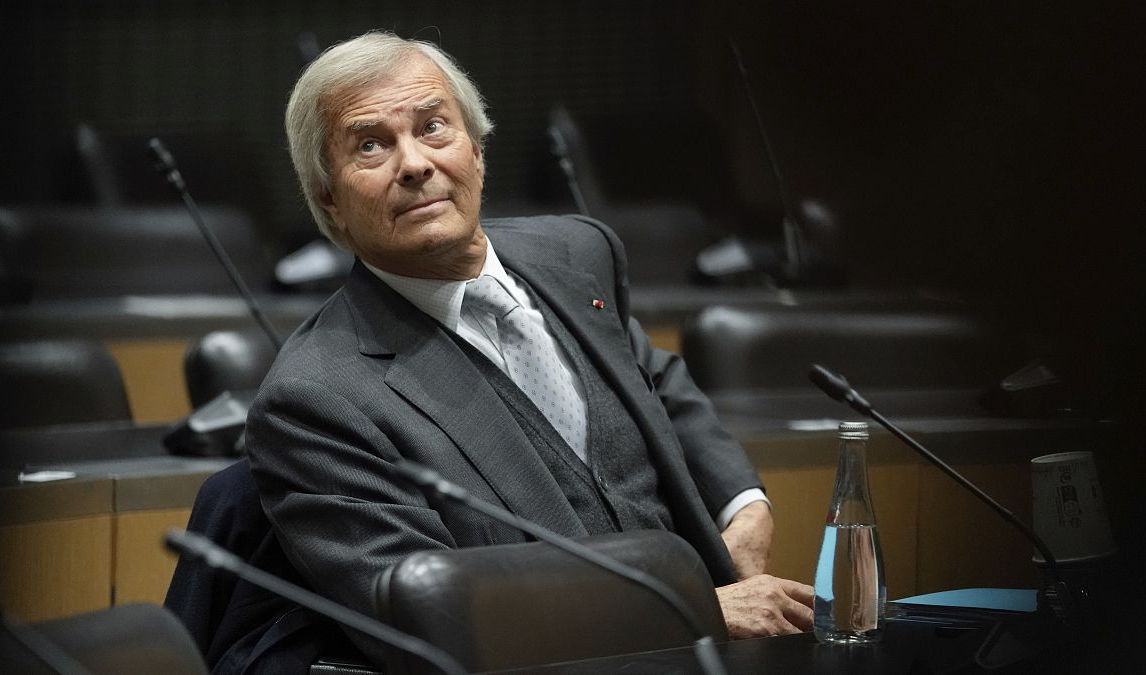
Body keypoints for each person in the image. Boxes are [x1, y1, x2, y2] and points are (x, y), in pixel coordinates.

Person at [245, 29, 814, 663]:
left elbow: (658, 384)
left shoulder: (577, 253)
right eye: (372, 145)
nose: (414, 163)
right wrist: (694, 612)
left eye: (434, 127)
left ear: (477, 151)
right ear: (331, 202)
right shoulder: (317, 398)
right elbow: (427, 620)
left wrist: (744, 503)